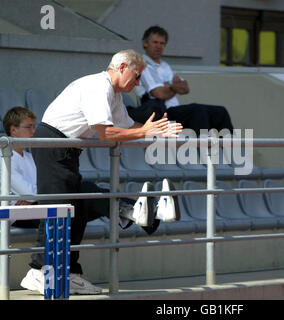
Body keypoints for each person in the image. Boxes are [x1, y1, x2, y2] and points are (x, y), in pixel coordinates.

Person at [20, 49, 183, 295]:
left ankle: (70, 271)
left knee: (78, 206)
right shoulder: (99, 86)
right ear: (121, 67)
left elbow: (128, 126)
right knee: (58, 208)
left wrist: (156, 130)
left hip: (67, 150)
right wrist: (148, 132)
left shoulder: (114, 95)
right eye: (137, 76)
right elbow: (106, 133)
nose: (138, 83)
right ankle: (38, 271)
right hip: (54, 145)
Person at [129, 25, 234, 136]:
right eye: (155, 42)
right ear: (145, 43)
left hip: (175, 110)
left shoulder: (165, 66)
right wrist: (174, 86)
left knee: (220, 112)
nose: (158, 46)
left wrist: (168, 87)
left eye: (162, 43)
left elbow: (185, 88)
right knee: (197, 110)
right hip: (161, 114)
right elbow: (158, 93)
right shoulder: (142, 65)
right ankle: (203, 150)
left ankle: (231, 151)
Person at [2, 107, 40, 228]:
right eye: (29, 127)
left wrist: (30, 199)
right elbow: (30, 193)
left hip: (33, 208)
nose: (33, 132)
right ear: (13, 130)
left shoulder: (30, 157)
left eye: (34, 127)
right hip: (14, 216)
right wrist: (31, 197)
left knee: (77, 208)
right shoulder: (3, 158)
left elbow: (33, 192)